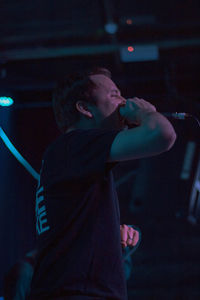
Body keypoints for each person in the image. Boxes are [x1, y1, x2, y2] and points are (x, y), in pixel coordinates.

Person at [29, 67, 176, 299]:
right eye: (114, 94)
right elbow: (161, 135)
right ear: (85, 108)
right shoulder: (74, 144)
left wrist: (108, 235)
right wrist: (147, 112)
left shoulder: (69, 153)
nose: (124, 101)